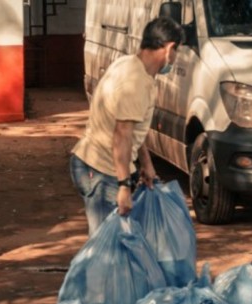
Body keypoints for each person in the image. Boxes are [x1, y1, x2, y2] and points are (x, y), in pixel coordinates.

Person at [70, 17, 184, 235]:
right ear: (169, 48)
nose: (175, 58)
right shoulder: (136, 82)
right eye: (176, 51)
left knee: (114, 244)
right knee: (108, 248)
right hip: (103, 172)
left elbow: (131, 127)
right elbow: (121, 135)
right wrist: (123, 185)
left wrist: (146, 163)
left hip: (95, 165)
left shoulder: (129, 64)